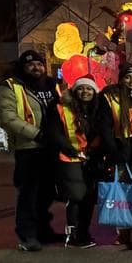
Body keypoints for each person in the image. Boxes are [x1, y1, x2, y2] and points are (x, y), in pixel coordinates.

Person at [0, 50, 60, 251]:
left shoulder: (52, 85)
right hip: (28, 148)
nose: (36, 68)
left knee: (48, 192)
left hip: (52, 148)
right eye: (30, 65)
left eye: (39, 64)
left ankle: (43, 230)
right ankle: (27, 235)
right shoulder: (9, 88)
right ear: (23, 67)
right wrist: (36, 134)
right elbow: (6, 118)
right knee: (28, 194)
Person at [47, 76, 104, 248]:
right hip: (70, 158)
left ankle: (84, 232)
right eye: (81, 88)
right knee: (76, 196)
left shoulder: (97, 109)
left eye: (89, 89)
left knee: (89, 197)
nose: (85, 92)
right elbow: (54, 133)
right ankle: (73, 235)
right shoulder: (61, 108)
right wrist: (72, 150)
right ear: (74, 91)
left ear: (94, 92)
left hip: (90, 159)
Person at [100, 62, 132, 246]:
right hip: (120, 149)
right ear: (121, 79)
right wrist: (113, 149)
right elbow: (104, 126)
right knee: (121, 193)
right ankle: (123, 231)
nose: (131, 80)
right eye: (127, 77)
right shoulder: (111, 97)